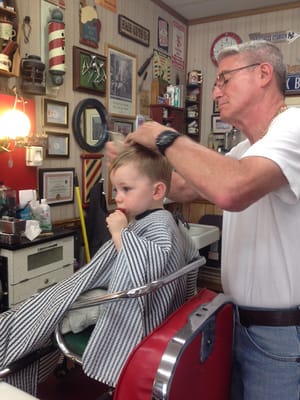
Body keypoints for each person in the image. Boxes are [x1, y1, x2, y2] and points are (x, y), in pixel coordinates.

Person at [105, 40, 300, 399]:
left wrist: (165, 138)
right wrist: (137, 174)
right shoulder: (247, 150)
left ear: (263, 74)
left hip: (282, 332)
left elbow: (231, 189)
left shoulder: (295, 127)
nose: (215, 92)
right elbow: (182, 189)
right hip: (239, 320)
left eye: (224, 79)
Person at [0, 144, 198, 396]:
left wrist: (119, 232)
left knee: (33, 314)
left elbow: (143, 271)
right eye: (116, 189)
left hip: (136, 315)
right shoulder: (161, 221)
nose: (117, 197)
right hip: (132, 303)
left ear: (158, 190)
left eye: (127, 189)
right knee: (41, 306)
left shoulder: (159, 225)